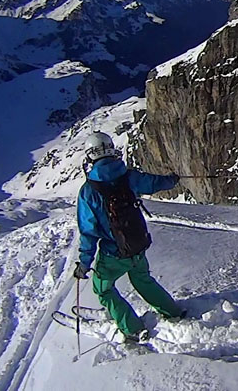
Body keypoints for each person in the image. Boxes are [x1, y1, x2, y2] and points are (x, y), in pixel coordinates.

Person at [72, 131, 185, 343]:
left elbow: (88, 232)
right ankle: (173, 312)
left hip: (113, 254)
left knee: (103, 289)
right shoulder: (128, 177)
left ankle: (132, 328)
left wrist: (84, 264)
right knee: (143, 279)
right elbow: (153, 183)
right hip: (137, 245)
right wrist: (171, 180)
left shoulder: (88, 191)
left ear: (90, 156)